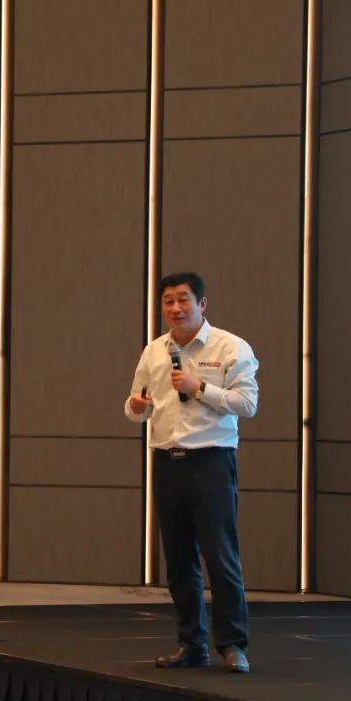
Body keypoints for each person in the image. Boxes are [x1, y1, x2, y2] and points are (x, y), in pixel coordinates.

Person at [125, 272, 259, 673]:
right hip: (167, 461)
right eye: (168, 301)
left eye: (183, 300)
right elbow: (137, 407)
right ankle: (191, 645)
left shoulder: (230, 346)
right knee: (180, 561)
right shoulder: (154, 351)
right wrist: (136, 406)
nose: (176, 308)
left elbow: (247, 404)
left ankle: (233, 645)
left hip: (211, 461)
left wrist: (199, 387)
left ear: (202, 304)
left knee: (221, 558)